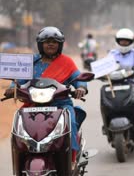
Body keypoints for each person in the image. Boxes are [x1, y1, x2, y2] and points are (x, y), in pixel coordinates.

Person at [4, 26, 87, 167]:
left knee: (71, 122)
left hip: (61, 105)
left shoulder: (66, 62)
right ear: (40, 44)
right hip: (33, 105)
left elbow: (78, 78)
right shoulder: (31, 62)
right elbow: (18, 80)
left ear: (60, 45)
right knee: (18, 128)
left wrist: (81, 87)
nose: (50, 44)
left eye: (54, 41)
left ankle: (71, 159)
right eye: (47, 41)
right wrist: (13, 89)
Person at [107, 28, 134, 127]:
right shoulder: (112, 53)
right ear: (117, 41)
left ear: (131, 42)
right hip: (113, 83)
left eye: (126, 41)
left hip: (131, 82)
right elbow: (105, 66)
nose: (124, 43)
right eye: (121, 41)